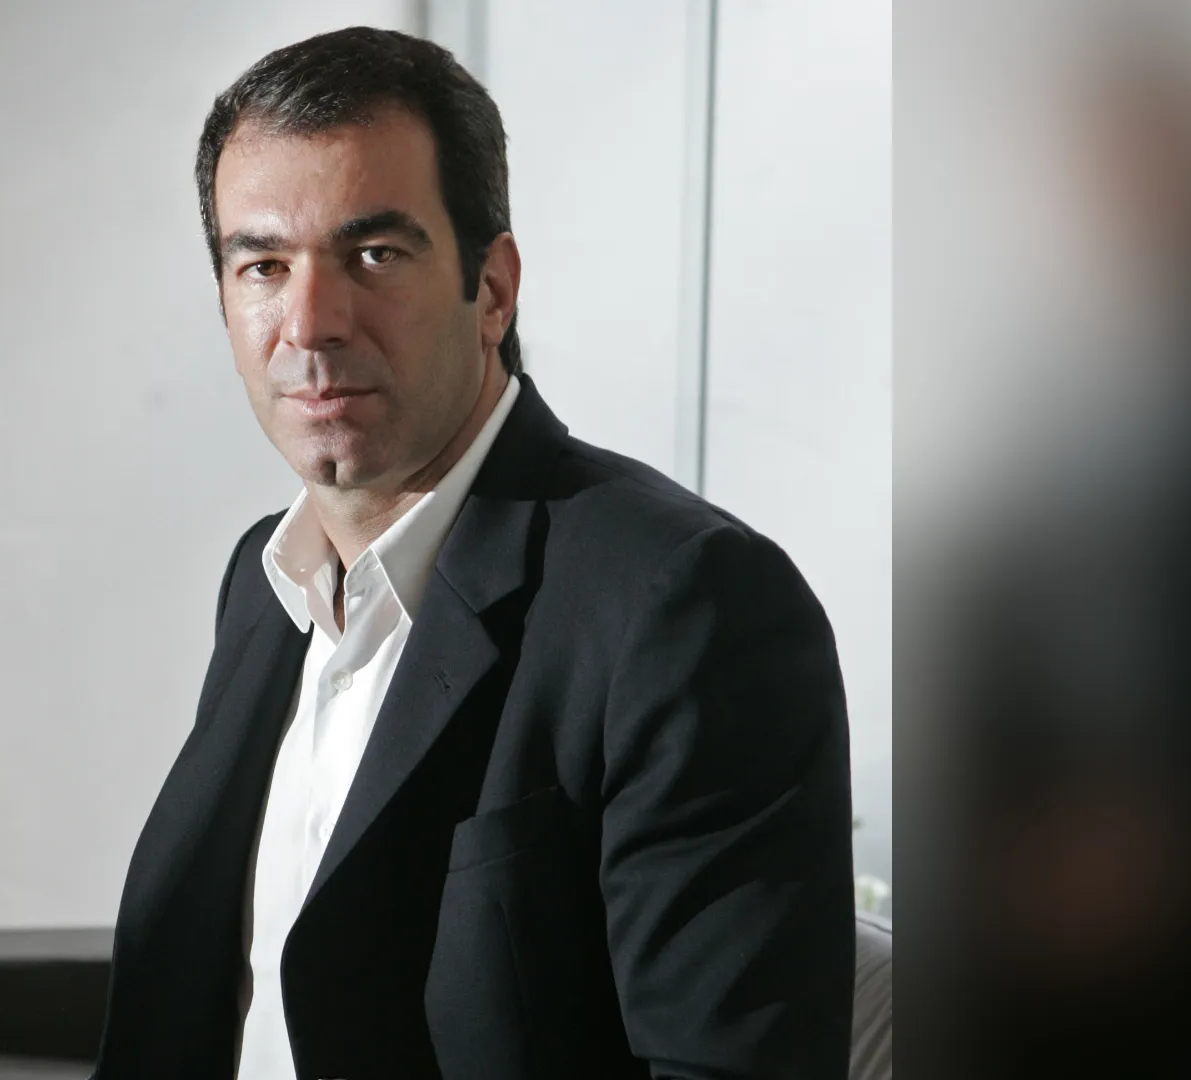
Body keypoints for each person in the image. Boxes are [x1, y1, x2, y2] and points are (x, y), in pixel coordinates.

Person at [94, 27, 854, 1080]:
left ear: (492, 289)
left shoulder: (687, 605)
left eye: (374, 255)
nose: (310, 323)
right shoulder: (263, 581)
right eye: (263, 265)